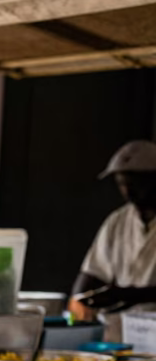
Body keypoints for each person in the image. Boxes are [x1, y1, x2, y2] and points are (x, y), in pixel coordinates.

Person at [69, 140, 156, 336]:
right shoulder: (118, 221)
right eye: (122, 184)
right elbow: (91, 273)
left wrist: (129, 295)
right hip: (118, 333)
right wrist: (79, 299)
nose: (127, 191)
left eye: (135, 184)